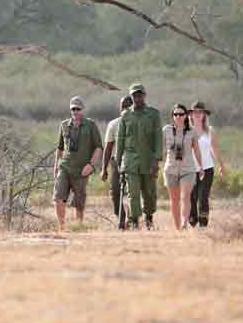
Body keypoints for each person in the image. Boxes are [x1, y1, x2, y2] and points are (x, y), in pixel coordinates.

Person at [114, 83, 162, 230]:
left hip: (148, 159)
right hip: (130, 161)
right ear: (132, 97)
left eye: (140, 95)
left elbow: (158, 138)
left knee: (149, 193)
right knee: (133, 193)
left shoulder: (153, 114)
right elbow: (120, 140)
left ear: (144, 96)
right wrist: (118, 162)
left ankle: (149, 218)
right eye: (135, 95)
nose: (137, 98)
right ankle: (134, 221)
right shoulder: (125, 115)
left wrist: (157, 159)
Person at [53, 95, 103, 230]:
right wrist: (56, 166)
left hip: (81, 170)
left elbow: (98, 147)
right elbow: (60, 148)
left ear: (82, 109)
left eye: (78, 109)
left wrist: (91, 165)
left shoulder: (90, 125)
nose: (75, 112)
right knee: (58, 197)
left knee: (79, 202)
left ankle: (78, 227)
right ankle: (62, 228)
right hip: (65, 167)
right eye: (73, 109)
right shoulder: (64, 125)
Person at [162, 104, 204, 231]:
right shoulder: (166, 130)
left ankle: (184, 224)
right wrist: (157, 164)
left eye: (181, 114)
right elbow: (161, 150)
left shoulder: (192, 131)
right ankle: (178, 228)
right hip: (171, 169)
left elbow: (197, 150)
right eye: (175, 114)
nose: (178, 117)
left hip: (188, 169)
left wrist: (201, 167)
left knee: (185, 197)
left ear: (186, 116)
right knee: (174, 200)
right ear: (172, 116)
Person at [189, 101, 226, 228]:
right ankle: (192, 222)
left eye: (200, 112)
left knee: (203, 196)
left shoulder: (210, 131)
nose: (197, 114)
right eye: (195, 112)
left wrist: (221, 164)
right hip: (190, 169)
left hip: (207, 169)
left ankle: (203, 224)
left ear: (204, 114)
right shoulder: (187, 131)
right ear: (191, 114)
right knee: (192, 197)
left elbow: (214, 149)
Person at [100, 94, 133, 225]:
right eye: (123, 106)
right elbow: (108, 147)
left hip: (133, 161)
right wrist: (104, 169)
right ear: (120, 108)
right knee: (115, 192)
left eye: (128, 106)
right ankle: (121, 216)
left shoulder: (137, 123)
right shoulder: (113, 124)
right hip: (117, 162)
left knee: (133, 191)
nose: (125, 109)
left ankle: (131, 219)